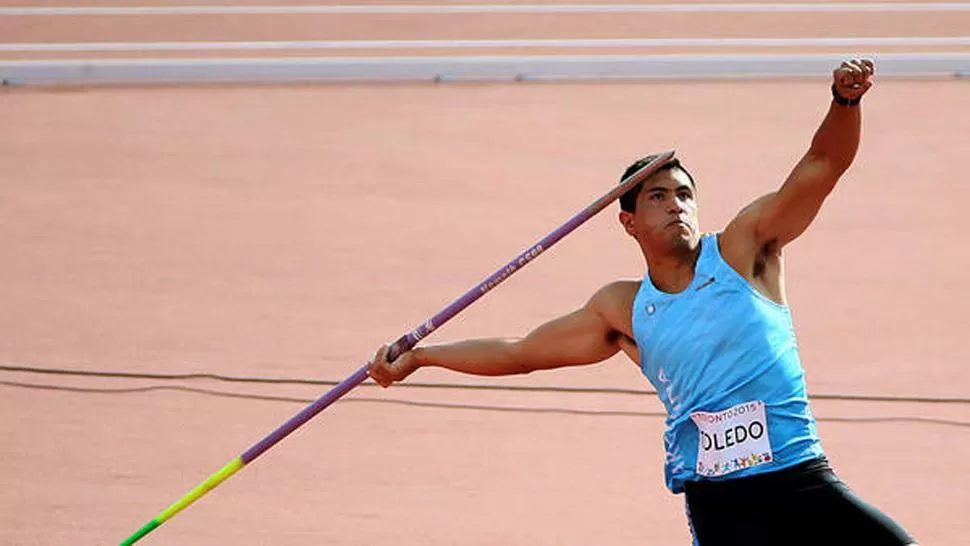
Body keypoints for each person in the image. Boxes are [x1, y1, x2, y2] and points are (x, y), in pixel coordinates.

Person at [367, 58, 916, 546]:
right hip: (722, 504)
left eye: (684, 194)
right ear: (628, 221)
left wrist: (846, 101)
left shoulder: (745, 248)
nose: (676, 205)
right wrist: (422, 357)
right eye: (658, 196)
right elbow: (521, 352)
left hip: (799, 478)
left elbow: (822, 166)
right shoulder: (623, 309)